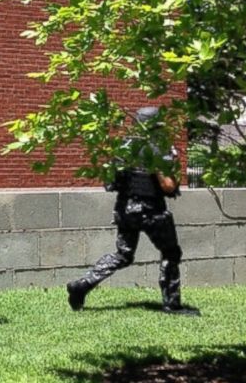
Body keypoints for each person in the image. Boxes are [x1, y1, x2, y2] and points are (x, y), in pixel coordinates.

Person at [66, 106, 194, 315]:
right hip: (152, 211)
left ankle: (82, 285)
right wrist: (174, 167)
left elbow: (110, 183)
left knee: (123, 255)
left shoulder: (122, 148)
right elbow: (168, 186)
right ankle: (172, 304)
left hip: (125, 210)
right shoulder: (158, 148)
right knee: (170, 253)